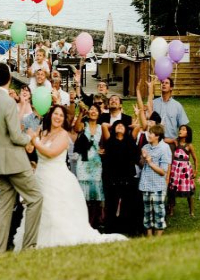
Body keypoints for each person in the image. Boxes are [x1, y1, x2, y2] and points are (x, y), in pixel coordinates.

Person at [16, 105, 126, 250]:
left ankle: (56, 241)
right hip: (40, 178)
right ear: (50, 116)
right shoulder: (43, 132)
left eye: (61, 116)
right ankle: (32, 241)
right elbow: (30, 149)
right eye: (56, 114)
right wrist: (29, 137)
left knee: (56, 212)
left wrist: (35, 141)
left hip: (57, 179)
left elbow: (51, 152)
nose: (58, 117)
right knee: (39, 209)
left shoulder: (63, 135)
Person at [0, 62, 42, 252]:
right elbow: (15, 135)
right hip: (16, 162)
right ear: (10, 78)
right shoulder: (9, 102)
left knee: (3, 206)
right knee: (35, 198)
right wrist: (30, 136)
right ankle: (29, 246)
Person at [100, 119, 140, 235]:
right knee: (111, 204)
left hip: (127, 177)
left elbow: (137, 126)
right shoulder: (109, 141)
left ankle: (127, 229)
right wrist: (114, 125)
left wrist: (127, 125)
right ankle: (111, 229)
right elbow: (103, 125)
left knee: (128, 204)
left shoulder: (130, 140)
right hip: (112, 178)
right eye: (118, 126)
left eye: (122, 126)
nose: (120, 127)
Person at [74, 104, 105, 228]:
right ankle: (83, 221)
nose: (93, 111)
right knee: (84, 194)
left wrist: (103, 150)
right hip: (83, 161)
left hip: (96, 162)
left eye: (95, 110)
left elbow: (105, 142)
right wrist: (81, 113)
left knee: (95, 193)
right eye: (91, 109)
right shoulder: (84, 125)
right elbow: (76, 128)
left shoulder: (101, 128)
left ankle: (94, 222)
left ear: (99, 113)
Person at [139, 125, 172, 237]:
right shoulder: (146, 147)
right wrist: (143, 158)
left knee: (158, 211)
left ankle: (158, 236)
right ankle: (149, 235)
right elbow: (141, 165)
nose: (148, 135)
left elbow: (163, 172)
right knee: (147, 211)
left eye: (151, 133)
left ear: (157, 136)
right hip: (146, 184)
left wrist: (150, 161)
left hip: (158, 185)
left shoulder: (164, 148)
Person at [168, 124, 198, 217]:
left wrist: (196, 171)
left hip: (185, 170)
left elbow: (195, 159)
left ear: (187, 133)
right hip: (175, 169)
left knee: (188, 190)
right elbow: (164, 140)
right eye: (180, 129)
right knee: (172, 190)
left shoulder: (189, 146)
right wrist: (172, 140)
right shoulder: (176, 142)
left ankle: (191, 211)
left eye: (183, 129)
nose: (180, 131)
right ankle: (171, 209)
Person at [151, 78, 189, 144]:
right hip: (155, 142)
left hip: (171, 142)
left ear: (171, 88)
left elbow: (184, 126)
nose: (164, 84)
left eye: (166, 83)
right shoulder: (153, 103)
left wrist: (182, 143)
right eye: (162, 83)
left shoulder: (177, 106)